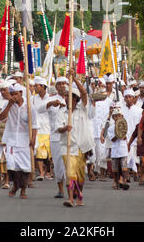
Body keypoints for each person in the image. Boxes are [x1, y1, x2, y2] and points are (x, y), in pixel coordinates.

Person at [55, 70, 94, 207]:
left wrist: (75, 78)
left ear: (76, 100)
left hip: (81, 147)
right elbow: (58, 128)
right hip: (67, 146)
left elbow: (84, 93)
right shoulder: (61, 112)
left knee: (80, 176)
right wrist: (65, 128)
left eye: (72, 97)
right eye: (67, 96)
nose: (68, 98)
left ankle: (79, 195)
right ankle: (71, 198)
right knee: (70, 174)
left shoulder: (83, 109)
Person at [0, 83, 38, 199]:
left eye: (16, 94)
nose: (14, 96)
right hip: (11, 139)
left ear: (21, 93)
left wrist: (33, 139)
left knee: (25, 167)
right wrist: (9, 105)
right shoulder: (8, 104)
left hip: (25, 140)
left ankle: (23, 189)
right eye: (12, 94)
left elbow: (34, 125)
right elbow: (1, 117)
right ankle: (16, 185)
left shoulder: (30, 107)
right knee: (11, 166)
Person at [45, 76, 68, 198]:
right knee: (58, 165)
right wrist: (50, 104)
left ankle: (73, 189)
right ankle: (60, 189)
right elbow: (39, 109)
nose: (62, 86)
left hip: (70, 137)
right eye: (59, 84)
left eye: (64, 83)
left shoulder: (73, 99)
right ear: (56, 86)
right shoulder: (52, 99)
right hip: (56, 138)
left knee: (71, 165)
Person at [32, 76, 52, 180]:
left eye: (36, 86)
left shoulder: (51, 98)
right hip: (37, 128)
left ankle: (48, 171)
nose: (34, 87)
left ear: (43, 87)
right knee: (39, 151)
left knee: (48, 153)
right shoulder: (33, 98)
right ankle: (41, 173)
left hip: (48, 128)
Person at [122, 89, 142, 181]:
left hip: (135, 137)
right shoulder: (121, 110)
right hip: (124, 137)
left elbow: (141, 125)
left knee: (136, 157)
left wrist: (140, 136)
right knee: (126, 156)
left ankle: (136, 173)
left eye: (130, 97)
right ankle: (129, 175)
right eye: (126, 97)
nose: (128, 99)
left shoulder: (139, 110)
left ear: (133, 98)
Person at [108, 107, 129, 190]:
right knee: (115, 168)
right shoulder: (110, 128)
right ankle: (115, 181)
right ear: (113, 118)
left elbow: (125, 137)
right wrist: (118, 134)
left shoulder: (125, 126)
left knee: (124, 167)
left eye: (119, 116)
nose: (117, 118)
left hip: (123, 149)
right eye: (115, 116)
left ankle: (124, 181)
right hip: (115, 149)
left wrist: (121, 133)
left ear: (121, 116)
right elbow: (112, 139)